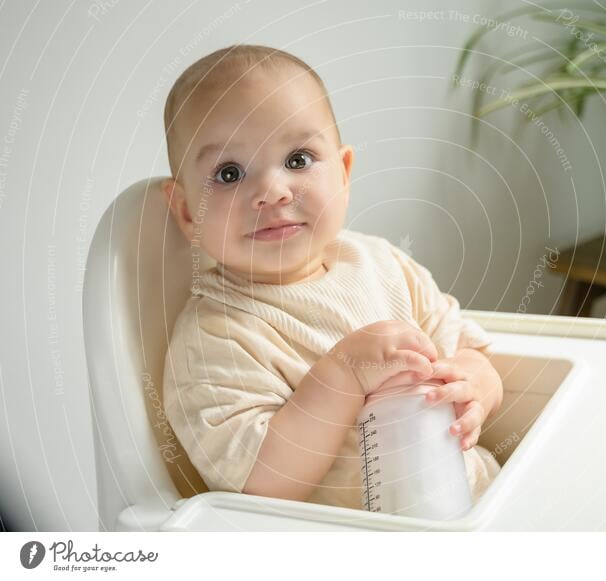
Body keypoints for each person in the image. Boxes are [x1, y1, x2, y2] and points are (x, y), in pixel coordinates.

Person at [160, 44, 502, 511]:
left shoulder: (381, 262)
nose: (272, 191)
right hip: (352, 544)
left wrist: (473, 387)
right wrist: (342, 375)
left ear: (342, 172)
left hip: (479, 503)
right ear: (185, 211)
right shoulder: (215, 336)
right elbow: (261, 484)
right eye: (230, 172)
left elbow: (473, 352)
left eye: (298, 159)